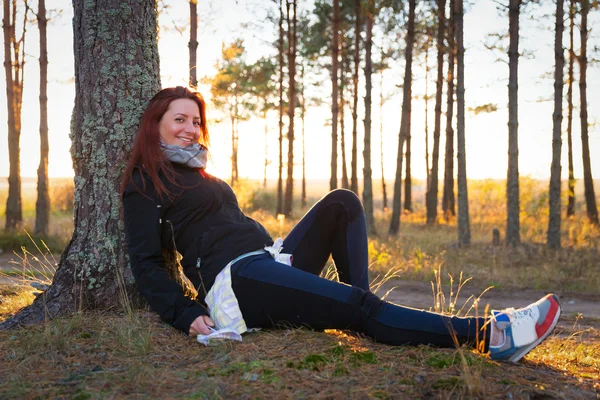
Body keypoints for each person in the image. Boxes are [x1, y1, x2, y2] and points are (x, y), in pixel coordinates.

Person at [121, 86, 561, 363]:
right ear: (154, 125)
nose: (191, 128)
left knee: (343, 203)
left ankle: (365, 310)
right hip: (237, 282)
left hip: (267, 261)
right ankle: (494, 335)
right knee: (357, 307)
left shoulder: (197, 171)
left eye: (196, 121)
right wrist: (184, 313)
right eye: (179, 119)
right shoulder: (145, 181)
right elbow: (145, 262)